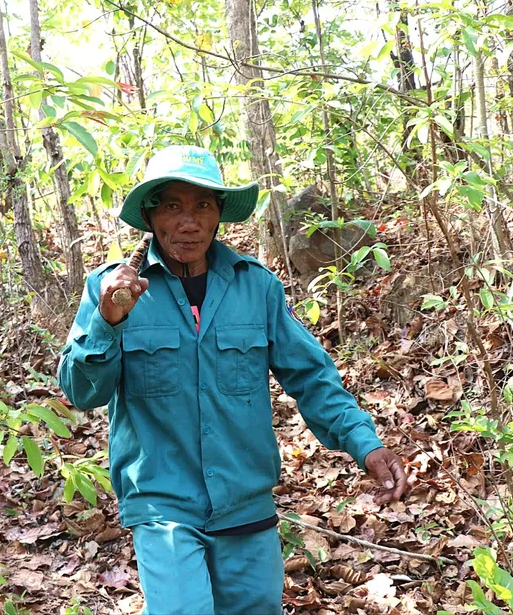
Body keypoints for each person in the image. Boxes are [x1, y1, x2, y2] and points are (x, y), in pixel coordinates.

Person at [58, 145, 407, 614]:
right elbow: (82, 393)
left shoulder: (256, 287)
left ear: (219, 214)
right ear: (149, 214)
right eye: (173, 206)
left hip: (245, 500)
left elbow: (311, 377)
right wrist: (107, 321)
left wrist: (365, 443)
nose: (189, 222)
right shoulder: (112, 289)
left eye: (203, 205)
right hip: (163, 501)